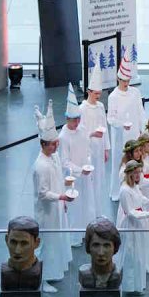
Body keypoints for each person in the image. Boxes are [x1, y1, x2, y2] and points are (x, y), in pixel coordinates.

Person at [32, 101, 73, 293]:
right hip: (47, 212)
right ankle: (42, 279)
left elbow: (58, 179)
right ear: (44, 144)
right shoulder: (41, 166)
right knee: (47, 243)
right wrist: (61, 197)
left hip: (57, 206)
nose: (57, 145)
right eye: (53, 144)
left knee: (57, 239)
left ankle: (56, 269)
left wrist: (62, 198)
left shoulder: (53, 157)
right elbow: (43, 193)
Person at [58, 84, 97, 247]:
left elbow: (87, 148)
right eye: (74, 120)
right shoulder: (63, 136)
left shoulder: (82, 130)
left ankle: (87, 231)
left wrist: (87, 162)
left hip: (84, 173)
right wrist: (80, 170)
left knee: (87, 202)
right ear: (67, 119)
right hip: (72, 177)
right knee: (75, 206)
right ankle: (74, 235)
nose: (76, 123)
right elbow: (65, 161)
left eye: (78, 119)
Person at [108, 54, 145, 200]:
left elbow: (140, 112)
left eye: (128, 80)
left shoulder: (135, 93)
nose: (126, 83)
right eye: (123, 80)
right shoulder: (113, 96)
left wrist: (142, 129)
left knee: (136, 161)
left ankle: (136, 187)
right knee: (121, 162)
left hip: (134, 134)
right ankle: (118, 191)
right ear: (118, 79)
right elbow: (110, 118)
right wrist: (121, 124)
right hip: (121, 137)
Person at [116, 160, 149, 295]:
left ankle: (138, 285)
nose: (139, 175)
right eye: (136, 172)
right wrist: (148, 214)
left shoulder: (134, 186)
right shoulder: (124, 190)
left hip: (139, 224)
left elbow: (141, 198)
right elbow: (130, 212)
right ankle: (130, 285)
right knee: (131, 255)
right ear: (130, 174)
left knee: (139, 254)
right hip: (131, 225)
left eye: (140, 172)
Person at [79, 65, 110, 216]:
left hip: (99, 147)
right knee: (89, 181)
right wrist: (91, 134)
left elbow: (104, 126)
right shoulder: (82, 109)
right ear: (89, 92)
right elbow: (79, 132)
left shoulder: (100, 107)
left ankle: (98, 210)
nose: (98, 96)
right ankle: (89, 212)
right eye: (96, 93)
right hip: (88, 148)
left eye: (100, 93)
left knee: (99, 180)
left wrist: (106, 148)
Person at [79, 217, 122, 290]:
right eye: (96, 245)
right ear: (88, 247)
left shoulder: (117, 275)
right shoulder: (84, 275)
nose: (101, 253)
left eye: (106, 246)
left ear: (115, 248)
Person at [1, 216, 42, 291]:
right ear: (7, 240)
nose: (17, 251)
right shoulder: (5, 272)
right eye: (13, 242)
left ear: (36, 243)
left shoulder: (38, 272)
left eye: (24, 243)